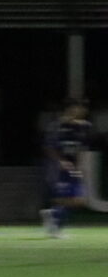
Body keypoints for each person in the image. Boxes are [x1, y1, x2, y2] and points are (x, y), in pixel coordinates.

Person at [41, 98, 93, 237]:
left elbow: (81, 148)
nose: (82, 111)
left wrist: (80, 166)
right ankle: (56, 226)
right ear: (70, 109)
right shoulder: (57, 126)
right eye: (78, 108)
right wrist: (61, 161)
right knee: (68, 198)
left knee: (78, 200)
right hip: (59, 168)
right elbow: (49, 147)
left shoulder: (83, 127)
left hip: (73, 167)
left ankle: (53, 215)